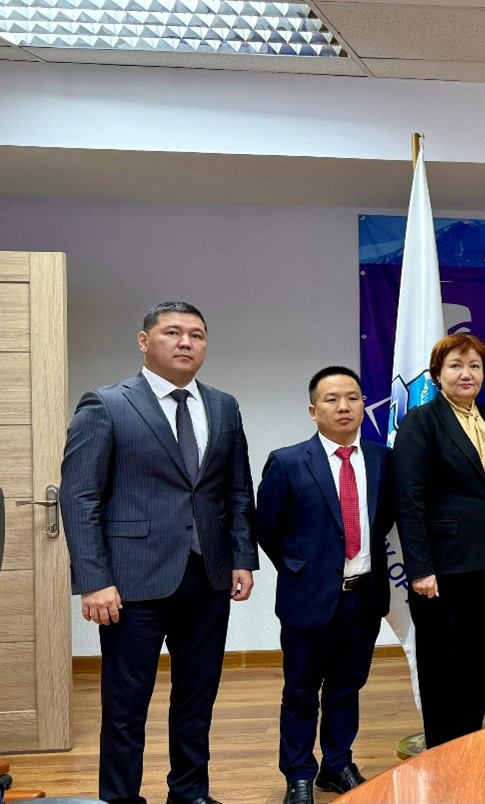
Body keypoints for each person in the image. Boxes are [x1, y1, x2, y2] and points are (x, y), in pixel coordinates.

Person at [59, 301, 256, 804]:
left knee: (197, 698)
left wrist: (242, 557)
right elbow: (80, 498)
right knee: (126, 705)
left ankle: (189, 792)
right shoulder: (106, 404)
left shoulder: (224, 406)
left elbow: (237, 490)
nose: (186, 342)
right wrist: (94, 580)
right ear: (144, 341)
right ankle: (121, 798)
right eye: (172, 332)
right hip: (131, 582)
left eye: (197, 334)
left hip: (207, 577)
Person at [254, 366, 396, 804]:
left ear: (363, 405)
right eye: (332, 399)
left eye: (352, 397)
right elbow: (267, 527)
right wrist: (301, 569)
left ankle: (337, 764)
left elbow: (385, 519)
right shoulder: (288, 461)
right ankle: (298, 773)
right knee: (300, 691)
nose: (344, 406)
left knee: (347, 687)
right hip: (308, 598)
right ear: (313, 410)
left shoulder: (382, 459)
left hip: (364, 596)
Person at [391, 334, 485, 747]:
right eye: (455, 365)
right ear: (437, 374)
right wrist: (420, 568)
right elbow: (409, 500)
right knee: (441, 661)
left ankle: (469, 742)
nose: (465, 374)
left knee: (479, 658)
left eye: (474, 366)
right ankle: (442, 748)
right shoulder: (421, 421)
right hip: (441, 567)